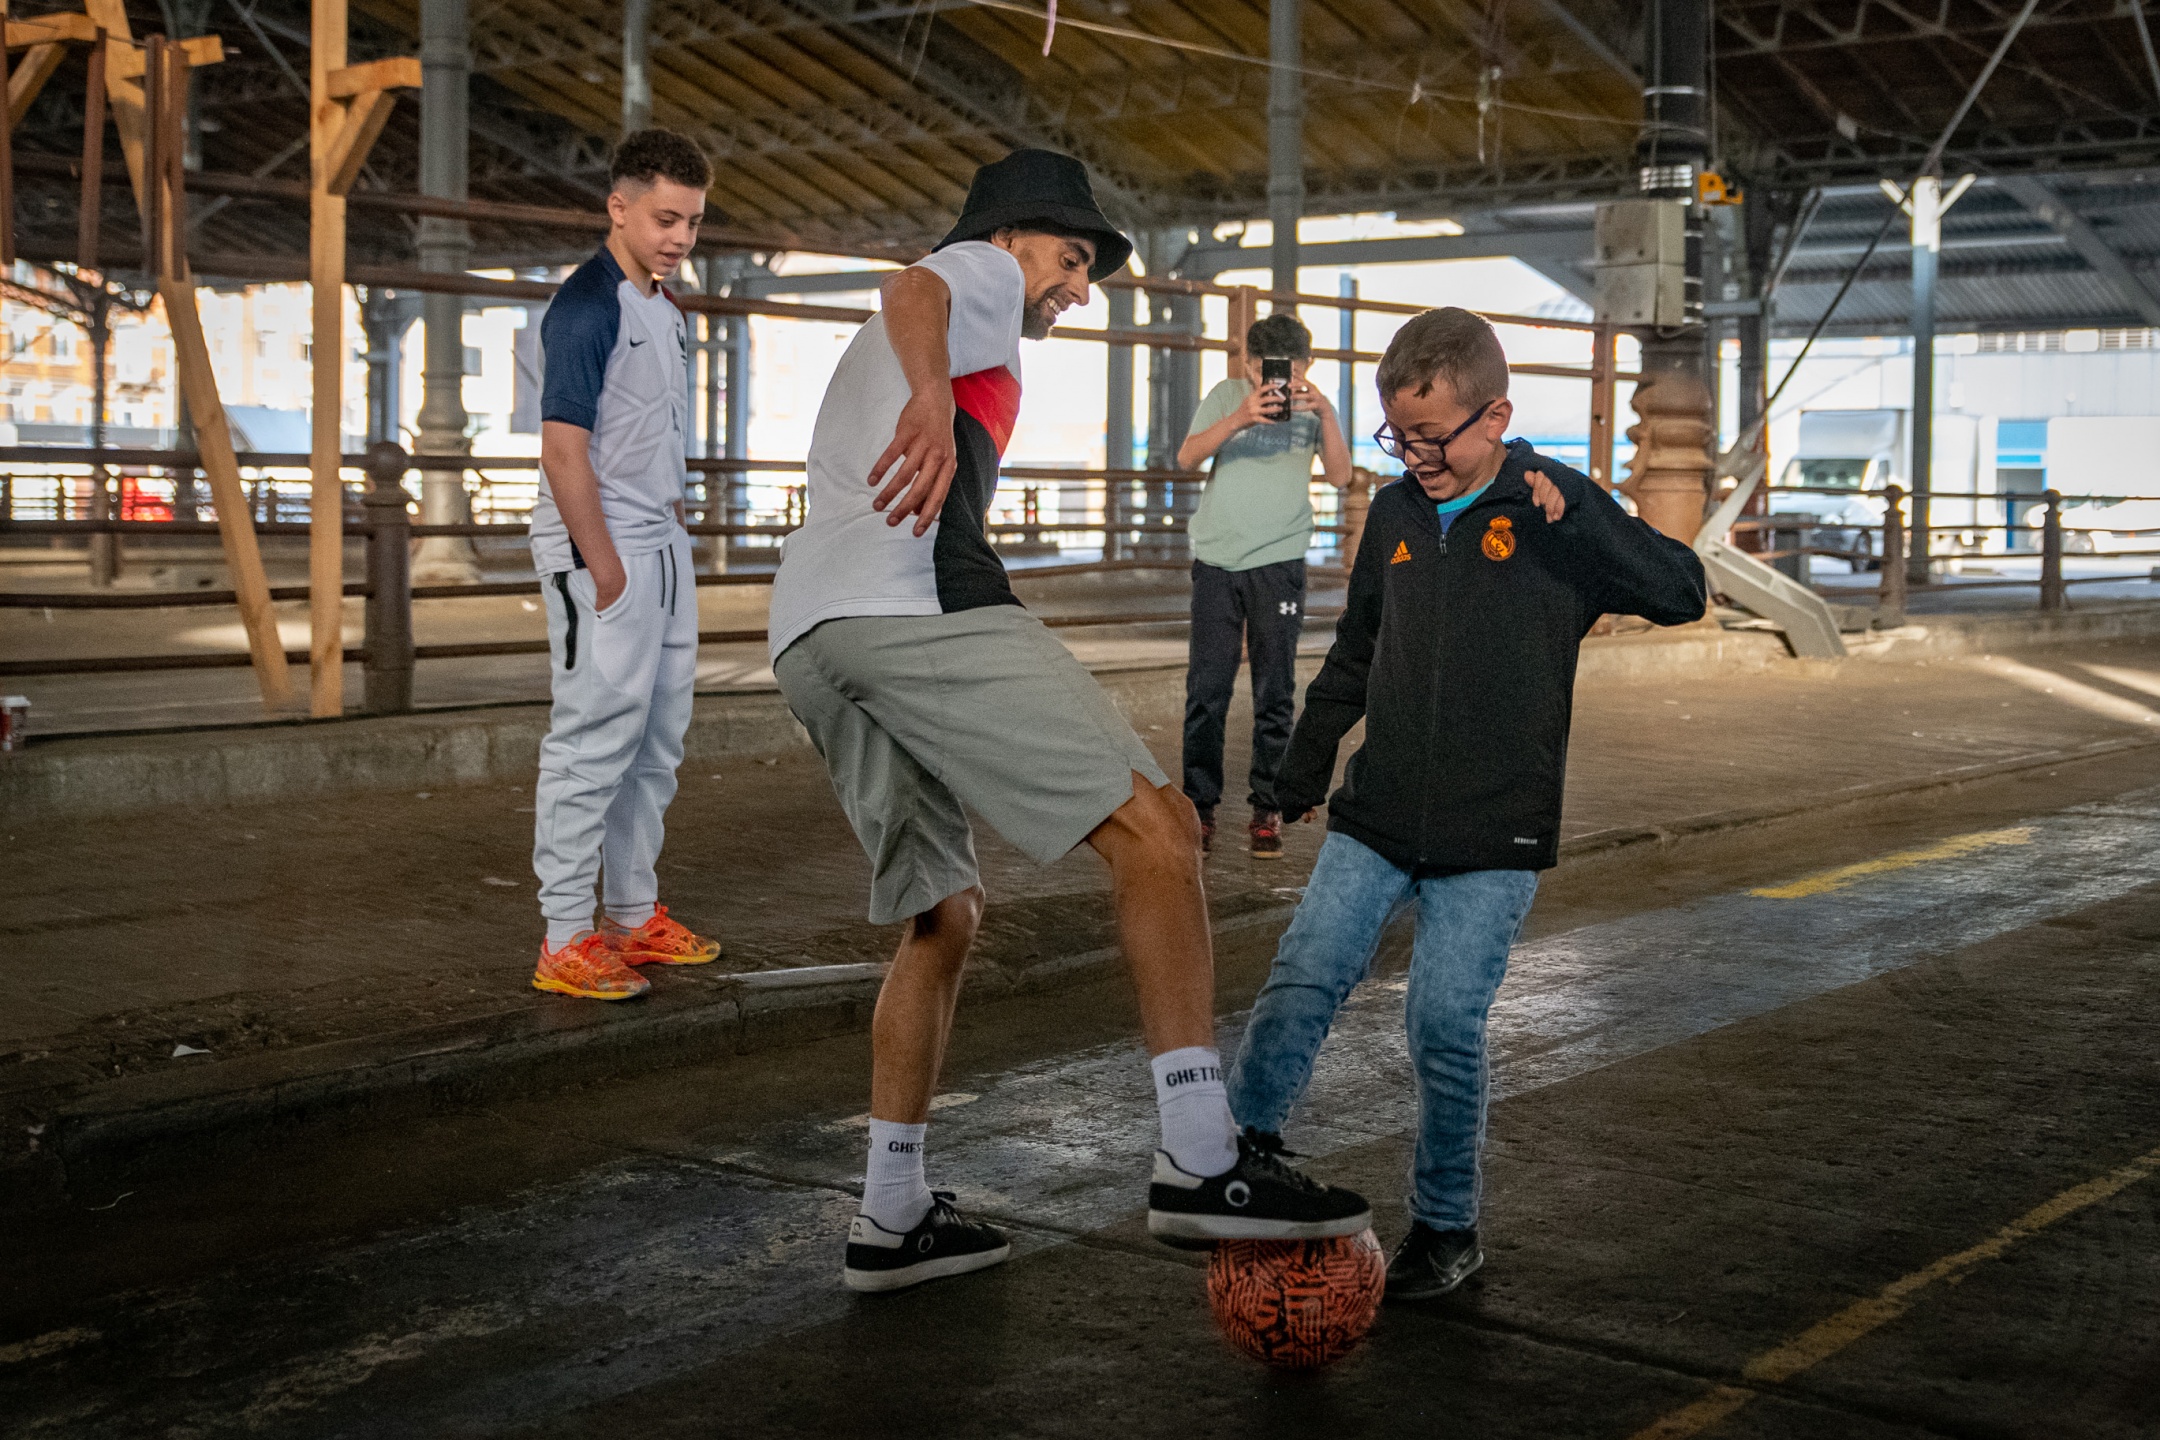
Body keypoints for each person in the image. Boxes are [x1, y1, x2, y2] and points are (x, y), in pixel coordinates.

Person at [767, 149, 1371, 1294]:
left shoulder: (972, 324)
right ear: (1011, 238)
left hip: (808, 633)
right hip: (906, 601)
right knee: (1160, 831)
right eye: (1072, 259)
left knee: (943, 913)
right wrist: (932, 399)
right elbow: (914, 285)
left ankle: (891, 1213)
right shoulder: (978, 274)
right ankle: (1201, 1156)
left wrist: (931, 394)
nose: (1078, 290)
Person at [1225, 308, 1708, 1301]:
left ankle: (1446, 1228)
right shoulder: (1396, 515)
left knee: (1444, 1022)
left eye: (1433, 437)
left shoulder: (1553, 514)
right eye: (1398, 436)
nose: (1416, 457)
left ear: (1496, 418)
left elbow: (1683, 591)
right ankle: (1242, 1154)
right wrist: (1300, 772)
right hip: (1380, 813)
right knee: (1304, 975)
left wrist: (1583, 514)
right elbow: (1358, 651)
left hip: (1494, 830)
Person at [527, 129, 726, 1001]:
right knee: (591, 744)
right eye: (665, 219)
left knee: (655, 744)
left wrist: (669, 535)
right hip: (603, 553)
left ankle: (632, 916)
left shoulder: (666, 310)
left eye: (692, 222)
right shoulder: (586, 305)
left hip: (662, 549)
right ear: (619, 207)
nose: (680, 237)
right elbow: (562, 451)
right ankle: (565, 936)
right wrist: (604, 570)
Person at [1175, 313, 1351, 859]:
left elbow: (1341, 476)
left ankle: (1267, 807)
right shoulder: (1227, 395)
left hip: (1280, 561)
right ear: (1247, 364)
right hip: (1217, 560)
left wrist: (1326, 412)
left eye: (1288, 371)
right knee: (1207, 690)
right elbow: (1186, 458)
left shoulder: (1315, 408)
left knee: (1276, 690)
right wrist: (1241, 416)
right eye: (1264, 370)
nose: (1273, 381)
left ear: (1307, 366)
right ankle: (1199, 807)